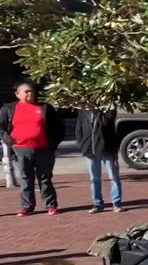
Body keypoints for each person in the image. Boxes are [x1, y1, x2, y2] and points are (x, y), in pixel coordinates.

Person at [1, 82, 64, 215]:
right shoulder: (8, 109)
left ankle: (50, 205)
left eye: (32, 91)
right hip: (21, 149)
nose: (30, 94)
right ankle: (27, 206)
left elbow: (59, 127)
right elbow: (1, 127)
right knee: (25, 178)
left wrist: (53, 145)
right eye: (26, 91)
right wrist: (8, 140)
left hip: (44, 149)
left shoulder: (45, 108)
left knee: (45, 178)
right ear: (17, 94)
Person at [74, 107, 123, 214]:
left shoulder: (108, 110)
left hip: (107, 148)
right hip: (90, 149)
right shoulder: (83, 111)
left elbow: (106, 122)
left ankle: (116, 202)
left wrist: (98, 110)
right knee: (94, 178)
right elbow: (79, 128)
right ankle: (97, 203)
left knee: (114, 176)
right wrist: (82, 144)